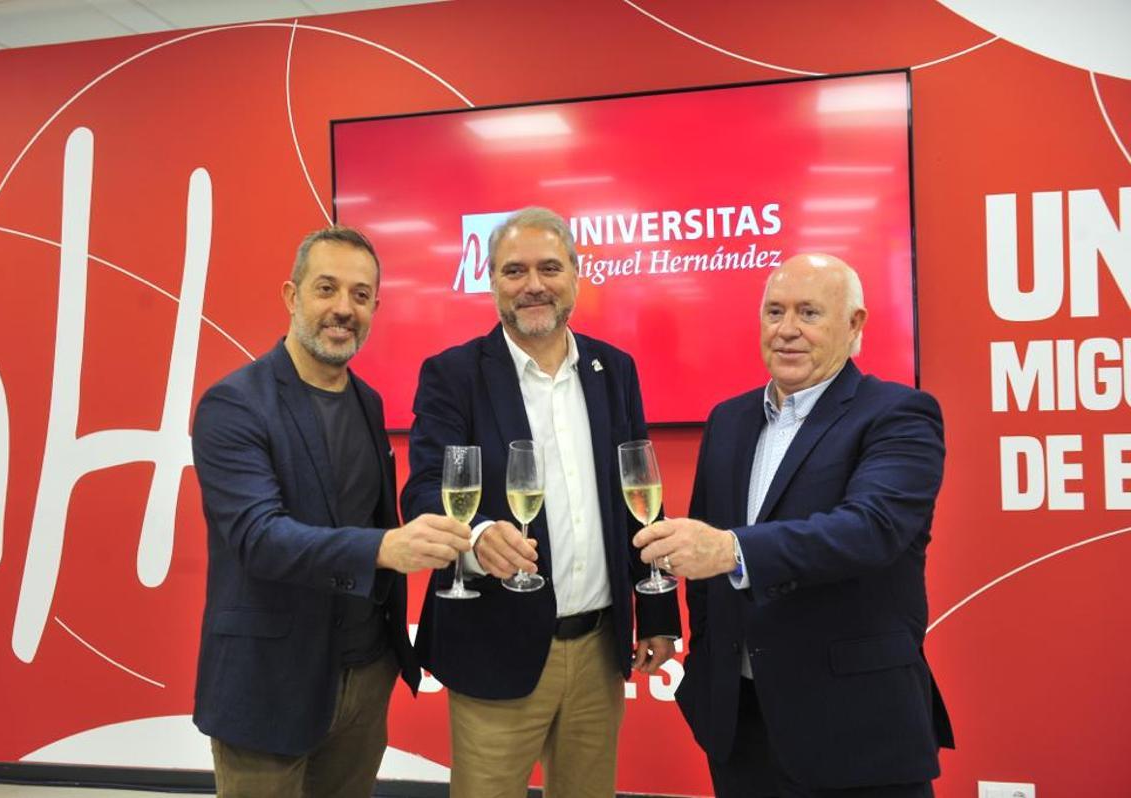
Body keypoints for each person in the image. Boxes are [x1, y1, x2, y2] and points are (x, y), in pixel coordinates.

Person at [635, 253, 954, 798]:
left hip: (854, 728)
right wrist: (705, 666)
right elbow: (705, 567)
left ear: (855, 324)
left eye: (809, 313)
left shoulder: (900, 413)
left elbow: (870, 529)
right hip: (740, 726)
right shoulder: (729, 419)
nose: (786, 330)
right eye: (774, 312)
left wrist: (734, 551)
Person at [401, 207, 681, 797]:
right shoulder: (454, 375)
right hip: (495, 648)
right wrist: (477, 538)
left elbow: (638, 500)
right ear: (493, 281)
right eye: (514, 271)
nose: (533, 285)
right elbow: (425, 488)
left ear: (576, 277)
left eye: (549, 268)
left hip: (599, 651)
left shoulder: (615, 370)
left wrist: (656, 614)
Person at [191, 226, 472, 798]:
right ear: (292, 297)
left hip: (365, 677)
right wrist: (384, 549)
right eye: (327, 289)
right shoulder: (233, 404)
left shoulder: (367, 402)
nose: (344, 308)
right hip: (270, 682)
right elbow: (258, 539)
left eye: (361, 295)